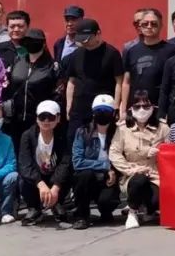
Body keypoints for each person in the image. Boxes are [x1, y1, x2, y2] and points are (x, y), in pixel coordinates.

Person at [109, 90, 166, 228]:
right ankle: (132, 211)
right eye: (137, 106)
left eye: (146, 106)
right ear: (131, 108)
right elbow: (114, 153)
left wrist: (160, 153)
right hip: (132, 174)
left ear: (153, 107)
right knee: (139, 180)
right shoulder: (123, 128)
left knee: (156, 201)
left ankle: (148, 209)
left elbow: (171, 152)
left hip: (155, 175)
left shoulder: (163, 128)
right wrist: (130, 169)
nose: (142, 110)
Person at [1, 27, 58, 153]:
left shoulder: (52, 66)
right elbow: (6, 85)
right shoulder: (17, 61)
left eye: (35, 41)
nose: (31, 43)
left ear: (43, 43)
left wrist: (49, 116)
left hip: (40, 119)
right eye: (27, 40)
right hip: (15, 119)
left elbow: (57, 94)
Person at [66, 18, 124, 142]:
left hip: (102, 108)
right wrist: (69, 105)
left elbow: (119, 82)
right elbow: (71, 81)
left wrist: (116, 106)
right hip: (79, 108)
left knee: (102, 142)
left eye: (87, 39)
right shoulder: (76, 54)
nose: (84, 43)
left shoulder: (112, 53)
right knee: (74, 141)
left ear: (98, 34)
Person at [18, 100, 71, 226]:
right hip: (37, 177)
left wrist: (56, 186)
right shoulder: (27, 136)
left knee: (69, 174)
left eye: (51, 117)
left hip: (54, 176)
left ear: (58, 118)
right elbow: (25, 163)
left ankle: (57, 203)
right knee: (23, 178)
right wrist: (40, 183)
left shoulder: (64, 136)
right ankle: (34, 207)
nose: (46, 121)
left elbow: (65, 162)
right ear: (37, 119)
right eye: (42, 117)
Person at [71, 94, 120, 229]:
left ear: (113, 113)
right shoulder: (82, 132)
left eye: (106, 111)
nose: (102, 114)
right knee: (84, 175)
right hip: (89, 177)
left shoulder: (119, 133)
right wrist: (105, 166)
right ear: (93, 113)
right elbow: (77, 162)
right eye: (99, 111)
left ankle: (106, 211)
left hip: (109, 178)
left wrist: (113, 171)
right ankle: (82, 216)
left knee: (107, 201)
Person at [121, 7, 175, 115]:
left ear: (161, 25)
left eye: (154, 24)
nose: (149, 27)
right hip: (136, 108)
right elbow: (126, 82)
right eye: (145, 24)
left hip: (161, 109)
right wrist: (123, 110)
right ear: (140, 26)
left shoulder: (171, 51)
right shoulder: (131, 51)